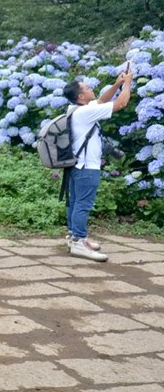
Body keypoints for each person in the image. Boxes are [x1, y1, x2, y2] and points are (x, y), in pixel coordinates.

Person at [62, 67, 133, 262]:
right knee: (83, 204)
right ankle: (78, 242)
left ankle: (75, 237)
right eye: (86, 87)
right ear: (80, 96)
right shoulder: (85, 112)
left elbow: (102, 100)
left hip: (77, 164)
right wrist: (128, 83)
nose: (90, 87)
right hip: (87, 166)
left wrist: (117, 83)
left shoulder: (76, 109)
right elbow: (120, 103)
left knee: (76, 202)